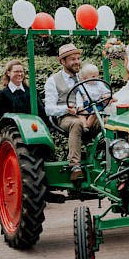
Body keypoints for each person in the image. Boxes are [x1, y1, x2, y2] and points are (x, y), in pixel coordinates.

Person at [44, 43, 89, 181]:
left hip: (86, 114)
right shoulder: (53, 81)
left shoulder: (85, 76)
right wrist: (66, 109)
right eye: (72, 59)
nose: (77, 62)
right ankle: (75, 166)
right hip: (64, 117)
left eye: (78, 58)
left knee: (109, 122)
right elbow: (49, 109)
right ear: (62, 62)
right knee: (76, 124)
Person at [0, 59, 30, 130]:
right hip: (11, 135)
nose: (19, 74)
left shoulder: (30, 92)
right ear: (8, 73)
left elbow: (42, 114)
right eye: (16, 72)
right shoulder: (2, 95)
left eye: (21, 71)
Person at [77, 63, 112, 130]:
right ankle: (84, 126)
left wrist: (106, 95)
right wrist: (80, 106)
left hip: (97, 105)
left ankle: (88, 127)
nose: (96, 78)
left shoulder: (100, 84)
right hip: (86, 105)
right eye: (93, 77)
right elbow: (79, 98)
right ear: (84, 78)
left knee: (95, 113)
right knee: (81, 115)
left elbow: (107, 92)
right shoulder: (82, 87)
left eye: (97, 76)